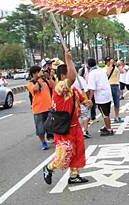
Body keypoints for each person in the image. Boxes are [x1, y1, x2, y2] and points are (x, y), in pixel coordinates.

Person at [43, 51, 92, 185]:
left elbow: (83, 101)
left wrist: (87, 102)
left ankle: (74, 175)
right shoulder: (60, 87)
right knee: (64, 153)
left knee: (78, 152)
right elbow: (72, 78)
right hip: (64, 127)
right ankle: (49, 168)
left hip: (75, 126)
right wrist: (68, 60)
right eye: (69, 74)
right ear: (63, 75)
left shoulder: (74, 90)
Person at [27, 65, 55, 150]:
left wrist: (49, 76)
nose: (38, 73)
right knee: (40, 129)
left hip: (49, 107)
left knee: (52, 126)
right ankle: (43, 143)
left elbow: (53, 86)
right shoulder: (30, 83)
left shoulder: (44, 80)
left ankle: (52, 137)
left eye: (39, 72)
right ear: (33, 74)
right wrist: (38, 78)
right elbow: (36, 89)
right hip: (38, 109)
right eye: (36, 72)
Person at [87, 58, 114, 136]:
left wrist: (90, 99)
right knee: (107, 113)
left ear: (88, 65)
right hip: (107, 94)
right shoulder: (102, 70)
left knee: (104, 114)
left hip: (101, 96)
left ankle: (109, 129)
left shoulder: (92, 73)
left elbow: (92, 88)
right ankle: (108, 127)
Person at [74, 68, 92, 138]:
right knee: (85, 116)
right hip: (82, 99)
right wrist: (88, 99)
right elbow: (86, 90)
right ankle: (85, 131)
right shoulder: (80, 79)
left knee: (77, 116)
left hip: (74, 101)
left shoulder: (67, 80)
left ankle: (78, 131)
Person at [105, 57, 122, 123]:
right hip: (109, 86)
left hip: (116, 86)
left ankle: (116, 116)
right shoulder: (105, 69)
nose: (110, 62)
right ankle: (107, 118)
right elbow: (107, 74)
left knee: (117, 102)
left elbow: (122, 71)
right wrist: (111, 65)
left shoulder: (116, 68)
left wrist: (118, 65)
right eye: (108, 61)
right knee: (108, 103)